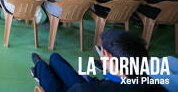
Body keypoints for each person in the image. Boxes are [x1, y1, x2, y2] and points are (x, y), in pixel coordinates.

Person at [30, 29, 166, 92]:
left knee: (50, 72)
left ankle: (40, 66)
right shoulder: (155, 86)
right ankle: (41, 66)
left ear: (107, 56)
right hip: (94, 85)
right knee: (55, 59)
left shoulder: (82, 89)